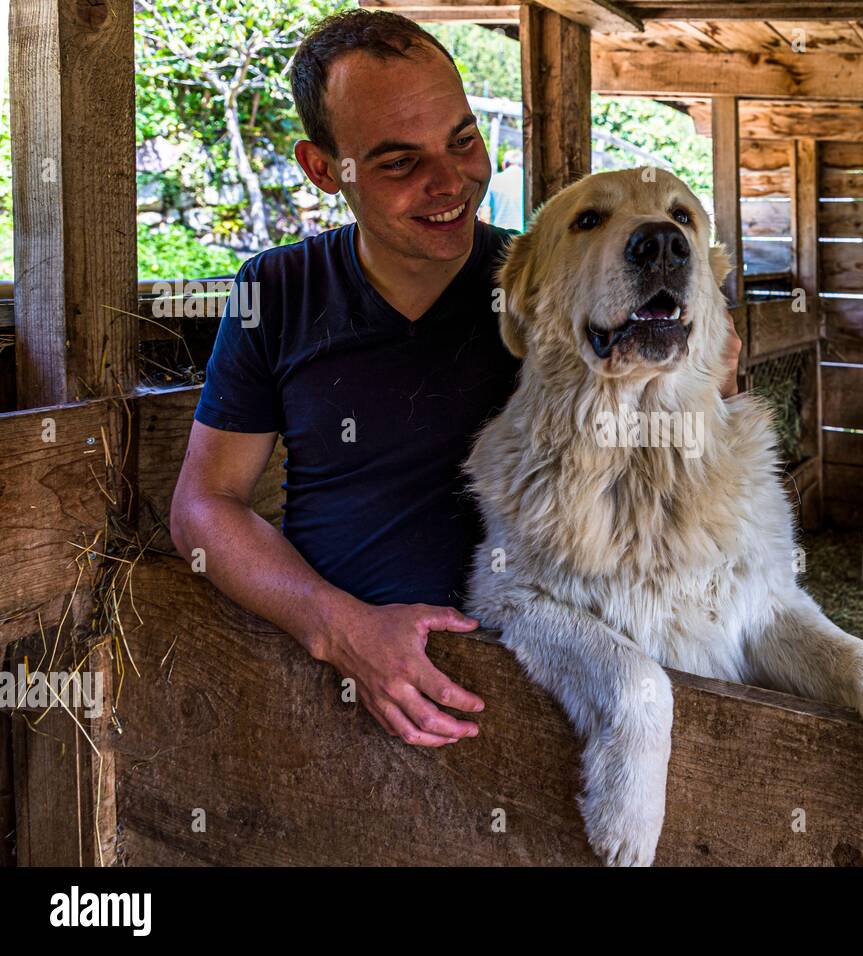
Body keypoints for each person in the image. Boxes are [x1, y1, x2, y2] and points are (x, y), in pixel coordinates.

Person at [170, 9, 742, 749]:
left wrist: (711, 383)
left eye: (463, 140)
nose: (450, 183)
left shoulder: (559, 283)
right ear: (322, 169)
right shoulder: (277, 292)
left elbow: (684, 434)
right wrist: (340, 629)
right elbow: (203, 508)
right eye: (400, 162)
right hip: (335, 694)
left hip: (559, 687)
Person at [484, 149, 524, 230]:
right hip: (524, 236)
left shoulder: (493, 180)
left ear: (504, 164)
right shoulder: (529, 181)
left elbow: (484, 215)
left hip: (500, 235)